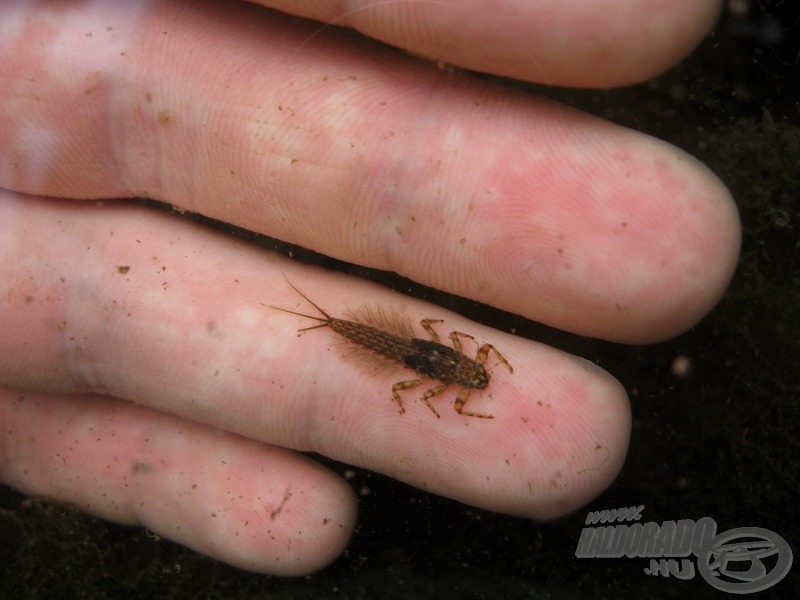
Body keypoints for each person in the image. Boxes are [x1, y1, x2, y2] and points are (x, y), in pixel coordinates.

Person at [0, 0, 740, 576]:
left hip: (403, 352)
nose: (477, 375)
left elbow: (449, 359)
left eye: (477, 375)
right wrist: (459, 376)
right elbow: (451, 362)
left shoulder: (446, 367)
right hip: (399, 349)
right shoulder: (451, 370)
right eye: (478, 372)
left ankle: (325, 324)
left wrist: (454, 371)